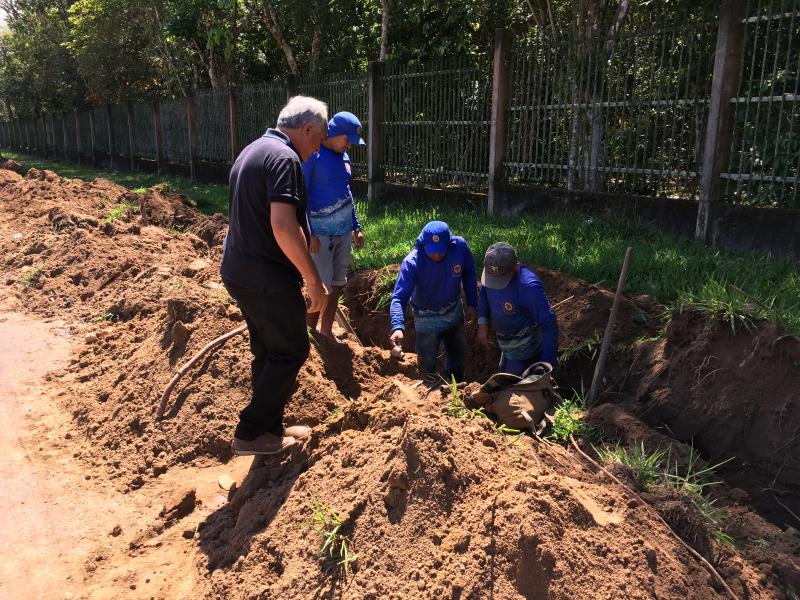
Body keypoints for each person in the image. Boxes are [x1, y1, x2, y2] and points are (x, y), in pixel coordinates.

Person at [220, 95, 329, 456]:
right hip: (265, 276)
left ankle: (270, 429)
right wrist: (313, 280)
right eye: (317, 140)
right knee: (291, 351)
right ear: (307, 128)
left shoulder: (254, 149)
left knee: (268, 352)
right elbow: (282, 227)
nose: (315, 151)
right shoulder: (285, 159)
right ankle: (250, 433)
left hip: (241, 270)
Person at [302, 111, 366, 341]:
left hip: (343, 232)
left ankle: (326, 332)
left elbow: (346, 193)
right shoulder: (313, 155)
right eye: (346, 139)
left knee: (338, 284)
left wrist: (356, 226)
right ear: (333, 133)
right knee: (319, 287)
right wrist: (309, 233)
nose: (349, 144)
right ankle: (308, 335)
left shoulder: (344, 157)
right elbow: (301, 195)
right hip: (319, 234)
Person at [389, 221, 478, 383]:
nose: (436, 255)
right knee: (426, 365)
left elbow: (469, 274)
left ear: (449, 244)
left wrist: (472, 303)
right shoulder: (412, 262)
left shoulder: (460, 247)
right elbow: (398, 298)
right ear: (423, 244)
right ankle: (429, 396)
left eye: (440, 251)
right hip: (425, 320)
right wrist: (397, 326)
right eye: (432, 252)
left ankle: (457, 387)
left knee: (457, 361)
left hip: (454, 314)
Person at [477, 242, 558, 376]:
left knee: (512, 389)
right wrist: (483, 323)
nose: (494, 283)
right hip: (507, 347)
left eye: (500, 279)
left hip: (527, 351)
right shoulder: (492, 272)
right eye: (492, 278)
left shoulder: (528, 287)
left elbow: (549, 323)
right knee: (503, 376)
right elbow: (485, 295)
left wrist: (547, 364)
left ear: (515, 266)